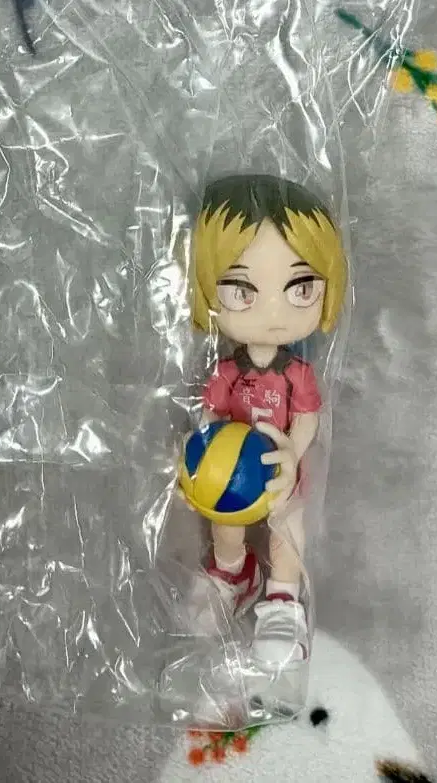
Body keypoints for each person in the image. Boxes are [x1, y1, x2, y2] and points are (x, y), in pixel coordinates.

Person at [187, 174, 348, 667]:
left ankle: (282, 598)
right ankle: (233, 573)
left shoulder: (297, 372)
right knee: (224, 526)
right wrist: (199, 457)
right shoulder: (227, 370)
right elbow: (211, 414)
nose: (273, 313)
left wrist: (291, 453)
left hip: (280, 474)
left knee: (287, 531)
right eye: (242, 290)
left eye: (301, 287)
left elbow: (308, 417)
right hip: (230, 477)